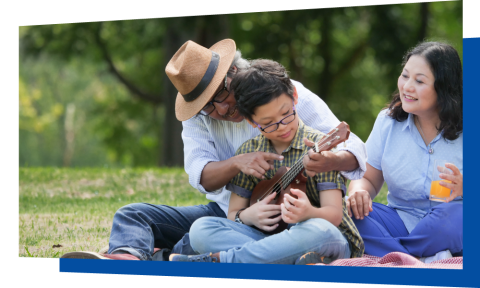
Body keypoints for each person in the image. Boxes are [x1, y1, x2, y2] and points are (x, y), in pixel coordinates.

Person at [60, 39, 366, 261]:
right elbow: (200, 175)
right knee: (135, 215)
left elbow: (351, 145)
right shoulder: (200, 119)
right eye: (206, 105)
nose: (220, 108)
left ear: (234, 72)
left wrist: (328, 161)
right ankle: (125, 262)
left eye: (221, 94)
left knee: (196, 240)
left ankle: (177, 259)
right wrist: (239, 165)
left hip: (297, 217)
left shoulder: (278, 93)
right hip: (229, 214)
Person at [169, 59, 363, 264]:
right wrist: (248, 216)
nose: (282, 127)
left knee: (318, 231)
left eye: (286, 114)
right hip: (269, 239)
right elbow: (233, 214)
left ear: (295, 98)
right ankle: (284, 260)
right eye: (268, 124)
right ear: (252, 122)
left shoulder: (320, 151)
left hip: (322, 236)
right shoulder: (249, 152)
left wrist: (308, 213)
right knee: (202, 229)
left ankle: (223, 261)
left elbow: (334, 217)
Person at [346, 41, 463, 263]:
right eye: (405, 76)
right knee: (347, 212)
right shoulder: (387, 122)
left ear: (444, 87)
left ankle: (396, 255)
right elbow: (368, 179)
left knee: (458, 217)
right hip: (399, 218)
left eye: (419, 81)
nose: (407, 86)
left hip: (448, 218)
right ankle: (420, 258)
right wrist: (357, 192)